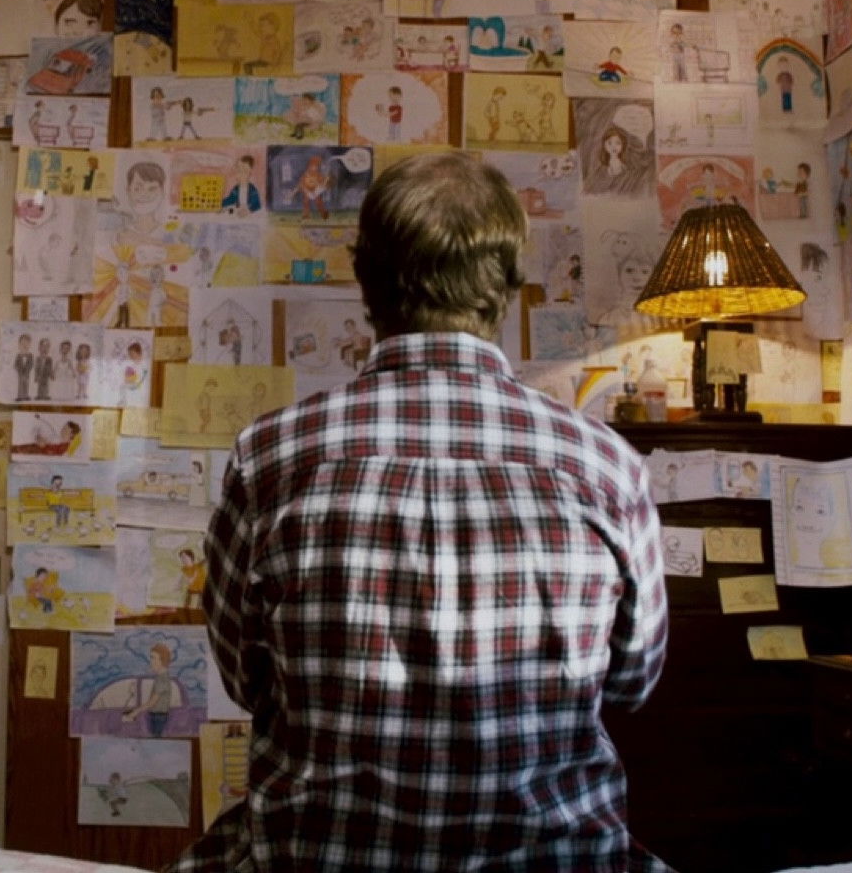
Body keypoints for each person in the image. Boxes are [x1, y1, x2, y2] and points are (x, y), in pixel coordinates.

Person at [172, 152, 668, 873]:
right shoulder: (606, 466)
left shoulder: (269, 457)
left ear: (365, 279)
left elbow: (247, 682)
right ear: (507, 285)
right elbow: (632, 683)